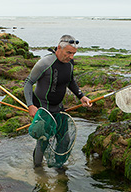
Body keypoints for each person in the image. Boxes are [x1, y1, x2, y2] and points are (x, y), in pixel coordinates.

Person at [24, 34, 92, 167]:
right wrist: (30, 105)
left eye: (73, 54)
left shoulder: (69, 63)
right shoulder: (45, 63)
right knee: (43, 141)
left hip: (59, 108)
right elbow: (28, 82)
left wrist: (81, 96)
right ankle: (38, 173)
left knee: (65, 139)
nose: (71, 57)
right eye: (68, 53)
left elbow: (70, 81)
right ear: (58, 49)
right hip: (43, 109)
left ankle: (60, 168)